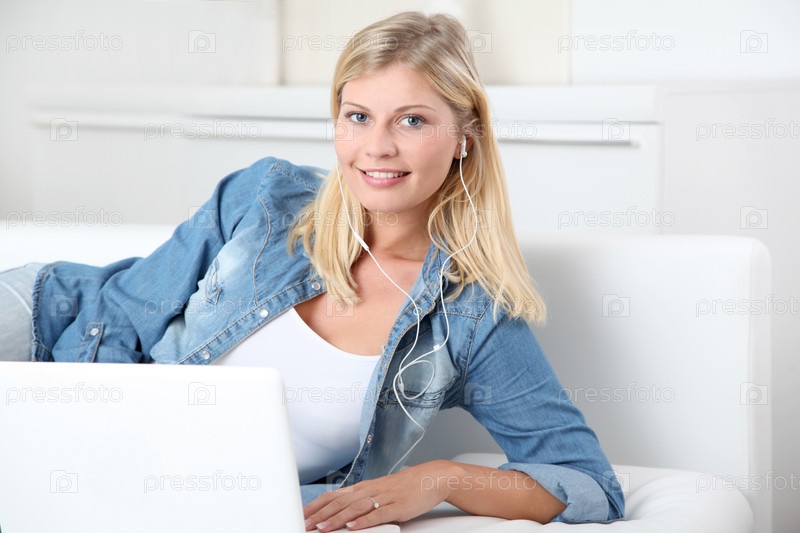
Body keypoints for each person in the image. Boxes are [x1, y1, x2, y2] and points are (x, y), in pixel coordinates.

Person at [0, 11, 624, 531]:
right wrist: (93, 446)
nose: (377, 147)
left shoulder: (470, 315)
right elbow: (119, 315)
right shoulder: (266, 197)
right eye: (358, 116)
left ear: (465, 136)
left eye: (412, 120)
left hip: (170, 481)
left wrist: (438, 480)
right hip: (51, 323)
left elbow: (588, 483)